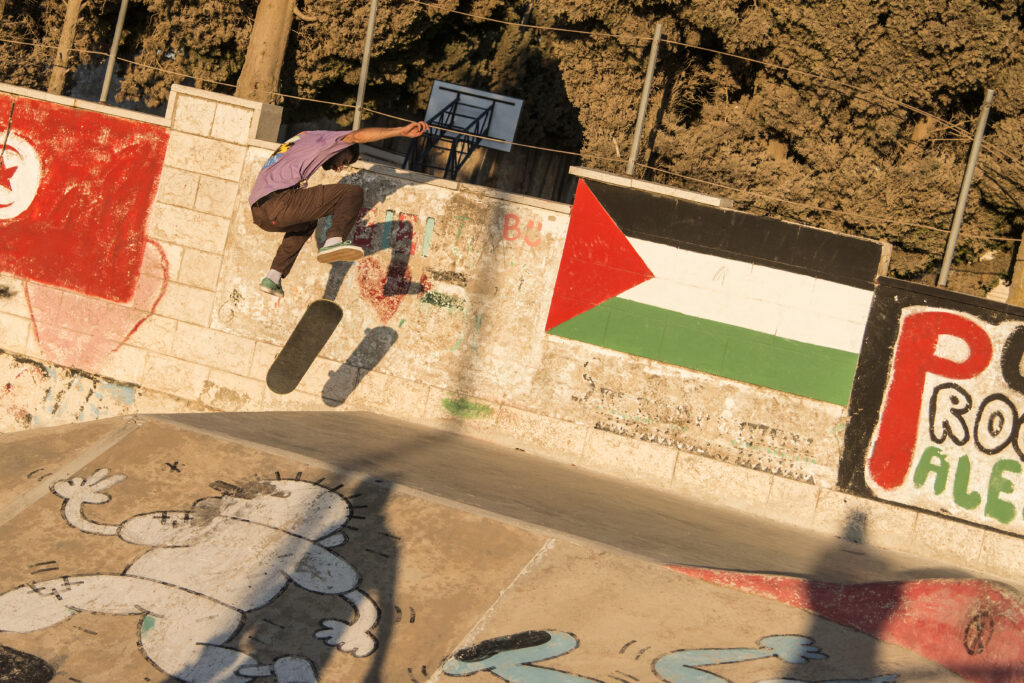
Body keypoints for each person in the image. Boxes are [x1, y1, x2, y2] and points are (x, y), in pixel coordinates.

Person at [248, 121, 429, 297]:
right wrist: (400, 131)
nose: (340, 168)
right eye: (345, 161)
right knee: (352, 193)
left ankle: (273, 277)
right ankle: (333, 241)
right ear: (342, 148)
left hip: (260, 212)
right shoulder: (327, 139)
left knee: (307, 222)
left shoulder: (303, 139)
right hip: (279, 202)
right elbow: (356, 136)